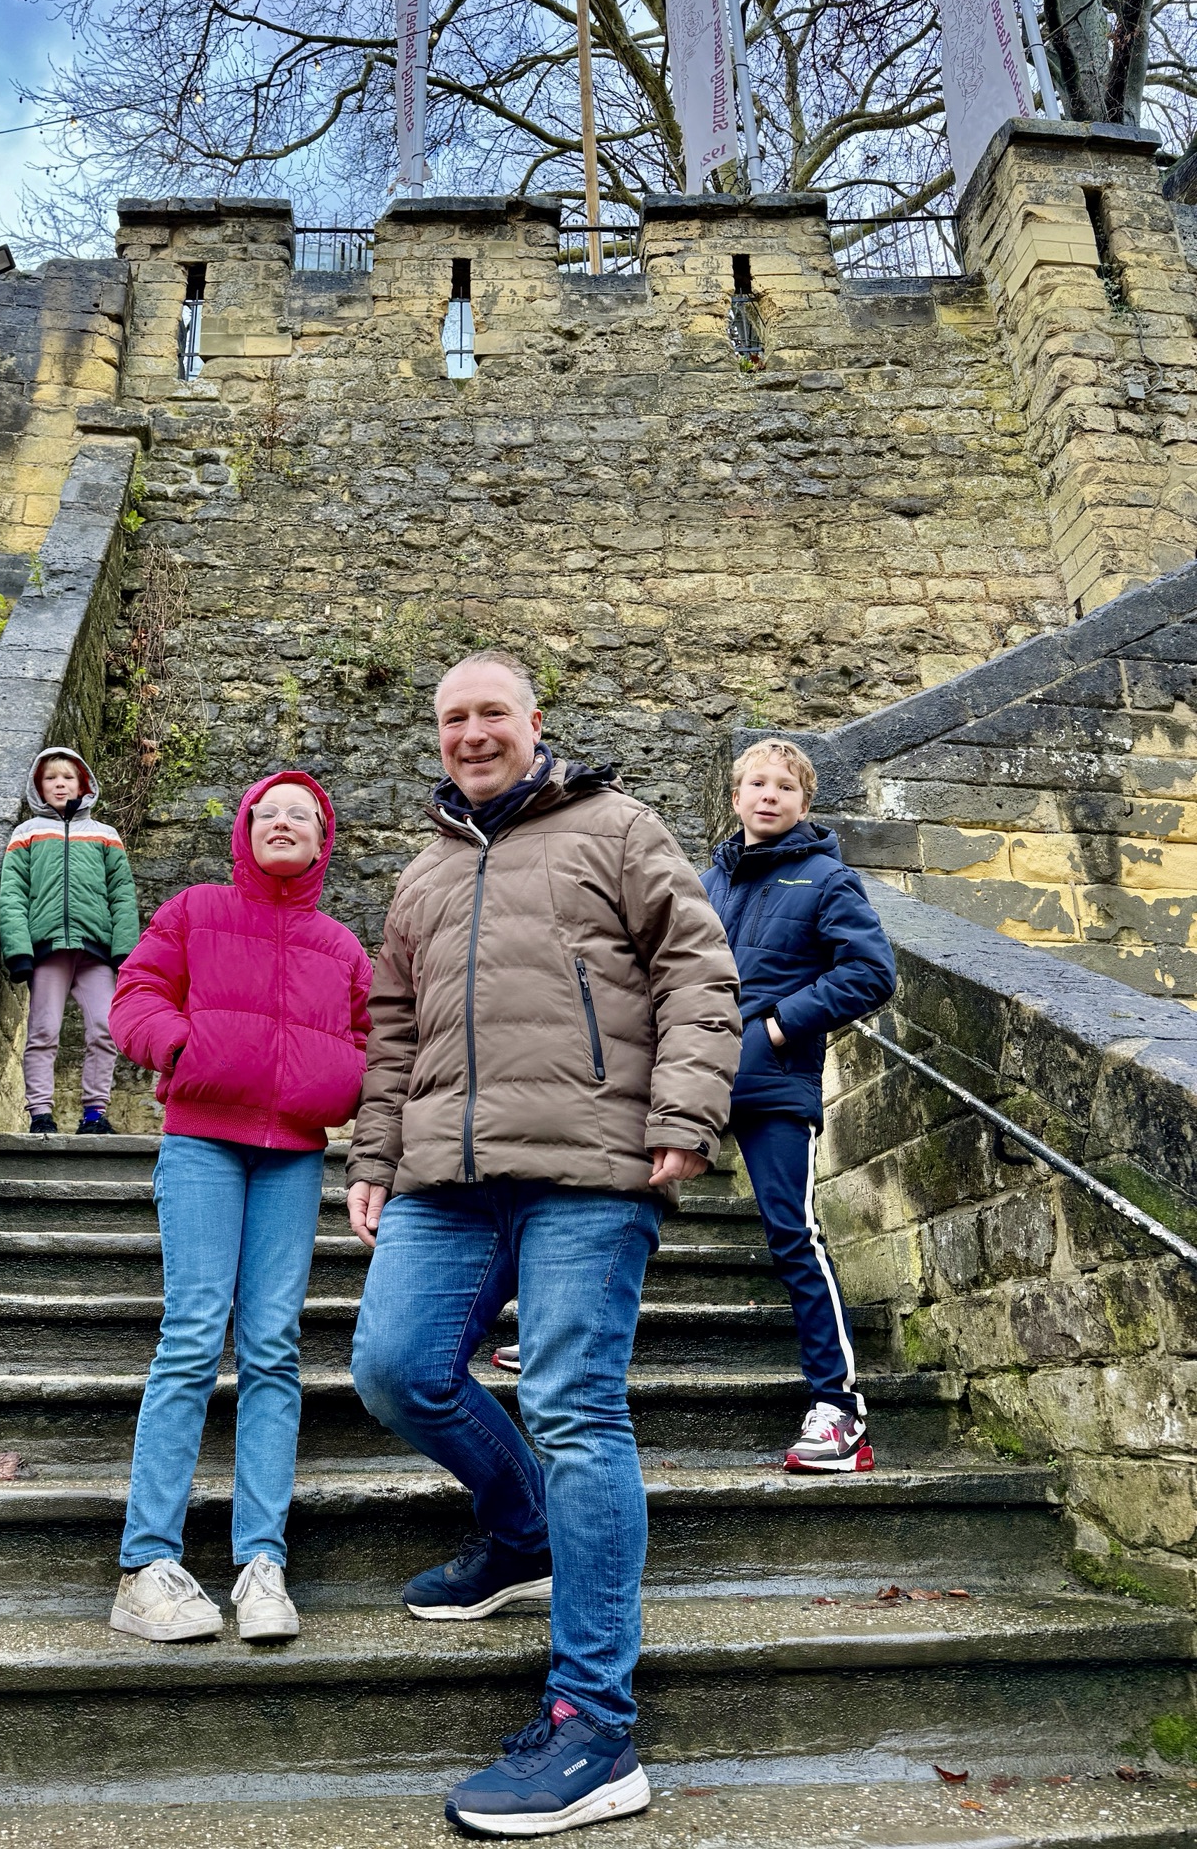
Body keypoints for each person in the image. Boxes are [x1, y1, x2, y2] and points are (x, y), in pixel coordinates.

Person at [347, 652, 740, 1838]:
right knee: (393, 1367)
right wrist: (374, 1156)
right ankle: (520, 1528)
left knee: (573, 1401)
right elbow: (393, 1025)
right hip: (447, 1176)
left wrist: (684, 1112)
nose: (472, 733)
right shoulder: (420, 870)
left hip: (589, 1164)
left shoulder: (616, 825)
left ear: (533, 722)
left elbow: (697, 966)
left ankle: (595, 1723)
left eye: (490, 714)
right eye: (452, 717)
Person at [107, 772, 371, 1643]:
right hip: (202, 1146)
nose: (285, 823)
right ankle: (147, 1565)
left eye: (304, 815)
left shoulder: (342, 948)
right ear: (245, 829)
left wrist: (346, 1083)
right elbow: (136, 996)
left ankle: (263, 1561)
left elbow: (374, 1041)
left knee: (272, 1349)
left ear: (322, 840)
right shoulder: (193, 910)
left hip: (293, 1155)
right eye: (271, 812)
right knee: (190, 1336)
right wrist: (184, 1045)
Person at [700, 739, 896, 1474]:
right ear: (736, 796)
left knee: (793, 1234)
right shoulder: (704, 883)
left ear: (804, 804)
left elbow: (872, 973)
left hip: (774, 1083)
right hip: (692, 1075)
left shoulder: (826, 878)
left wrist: (779, 1024)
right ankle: (568, 1336)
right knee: (621, 1204)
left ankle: (839, 1413)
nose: (769, 795)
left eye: (785, 786)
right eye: (757, 783)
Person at [0, 747, 139, 1136]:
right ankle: (40, 1114)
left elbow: (122, 895)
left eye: (68, 777)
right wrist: (19, 951)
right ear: (38, 788)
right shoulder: (26, 834)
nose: (59, 784)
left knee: (106, 1028)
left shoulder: (105, 836)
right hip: (47, 951)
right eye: (50, 778)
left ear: (83, 784)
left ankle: (95, 1114)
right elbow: (11, 896)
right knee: (43, 1031)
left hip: (95, 950)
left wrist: (125, 951)